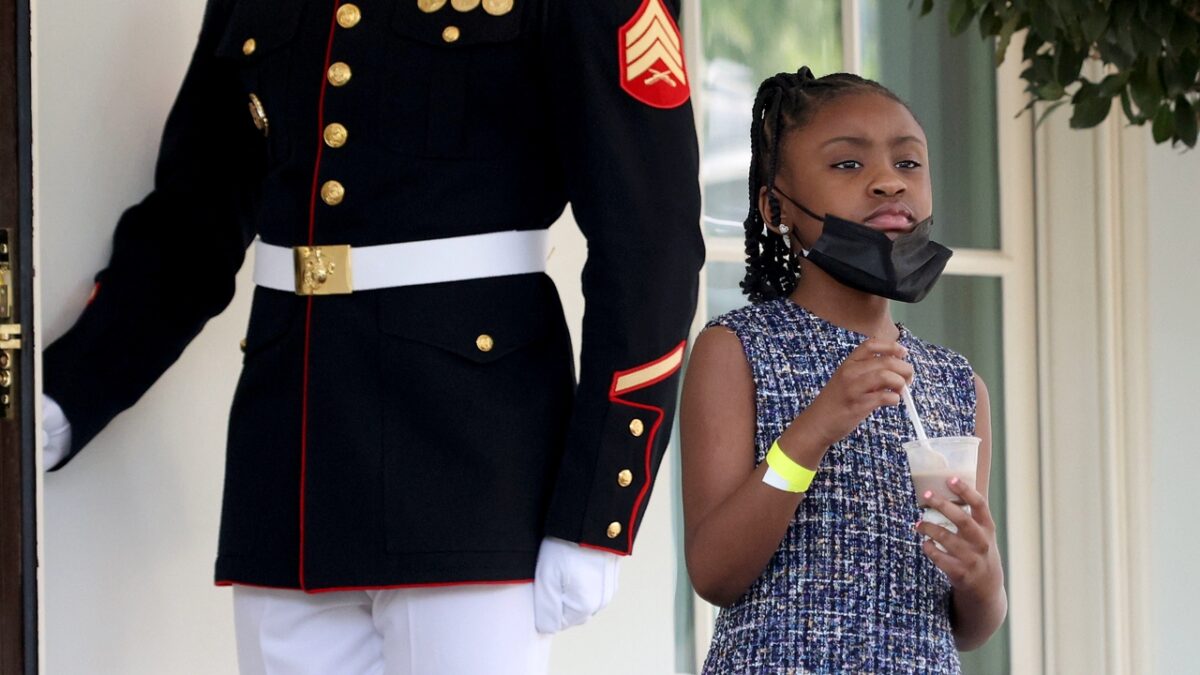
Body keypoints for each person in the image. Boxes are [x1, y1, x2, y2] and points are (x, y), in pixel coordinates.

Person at [40, 0, 703, 672]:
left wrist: (599, 510)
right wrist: (66, 395)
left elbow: (651, 246)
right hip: (289, 470)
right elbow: (196, 217)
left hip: (473, 472)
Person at [680, 67, 1006, 673]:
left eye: (908, 164)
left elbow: (970, 628)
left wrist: (982, 573)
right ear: (777, 206)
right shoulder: (737, 349)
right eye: (848, 165)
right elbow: (715, 572)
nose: (888, 182)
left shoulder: (959, 386)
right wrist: (814, 429)